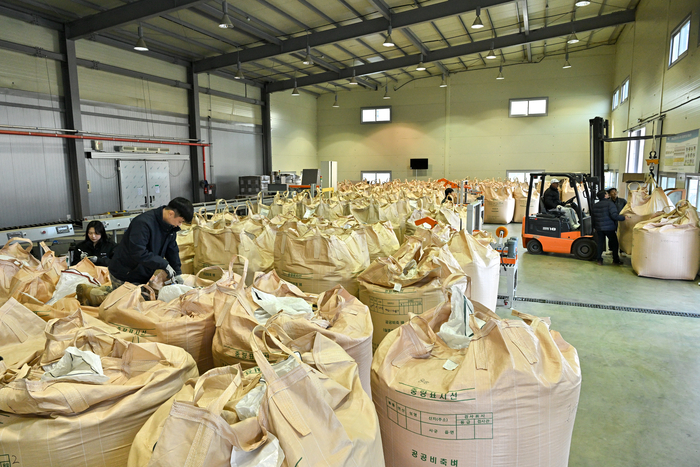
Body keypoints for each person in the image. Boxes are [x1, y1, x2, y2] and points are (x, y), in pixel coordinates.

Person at [76, 197, 194, 305]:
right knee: (129, 303)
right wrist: (164, 264)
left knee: (141, 298)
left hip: (141, 272)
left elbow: (172, 249)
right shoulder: (143, 223)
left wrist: (177, 272)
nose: (180, 225)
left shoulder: (169, 227)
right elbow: (138, 252)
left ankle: (106, 291)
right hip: (125, 271)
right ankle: (90, 293)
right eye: (180, 221)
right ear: (171, 213)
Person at [592, 189, 627, 266]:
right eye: (607, 194)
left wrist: (594, 226)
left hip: (599, 228)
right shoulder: (610, 204)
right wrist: (624, 218)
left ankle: (599, 260)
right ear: (605, 196)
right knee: (614, 243)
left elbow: (593, 218)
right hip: (609, 228)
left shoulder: (595, 205)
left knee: (600, 243)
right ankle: (615, 260)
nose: (608, 195)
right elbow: (614, 216)